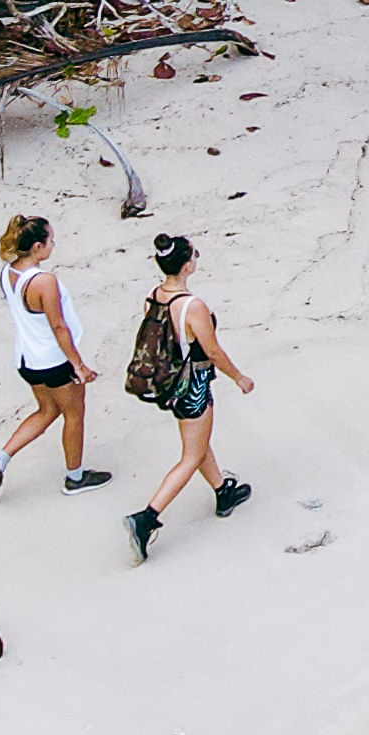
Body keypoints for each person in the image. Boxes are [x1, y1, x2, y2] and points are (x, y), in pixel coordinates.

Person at [125, 233, 257, 564]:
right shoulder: (192, 306)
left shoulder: (154, 298)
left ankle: (223, 492)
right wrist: (239, 377)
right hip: (193, 384)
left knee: (198, 442)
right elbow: (211, 350)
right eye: (195, 255)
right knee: (191, 455)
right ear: (187, 266)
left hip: (170, 383)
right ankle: (147, 517)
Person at [0, 217, 112, 497]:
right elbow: (58, 326)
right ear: (38, 246)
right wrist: (78, 365)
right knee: (74, 414)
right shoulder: (44, 282)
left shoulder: (7, 273)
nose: (54, 244)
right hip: (53, 361)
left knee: (47, 410)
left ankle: (0, 461)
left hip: (27, 359)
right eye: (51, 240)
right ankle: (75, 478)